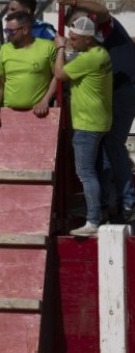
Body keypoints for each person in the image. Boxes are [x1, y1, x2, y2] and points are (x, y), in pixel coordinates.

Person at [58, 0, 135, 222]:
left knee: (112, 145)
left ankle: (126, 202)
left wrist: (73, 1)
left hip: (125, 88)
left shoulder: (103, 29)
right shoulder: (95, 45)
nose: (75, 32)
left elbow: (102, 10)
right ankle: (107, 205)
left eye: (76, 25)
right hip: (114, 91)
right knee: (104, 149)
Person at [52, 17, 113, 236]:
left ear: (88, 39)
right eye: (69, 38)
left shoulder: (88, 60)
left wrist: (59, 49)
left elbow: (59, 75)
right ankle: (101, 212)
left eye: (75, 39)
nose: (71, 42)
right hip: (101, 120)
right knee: (99, 170)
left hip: (87, 123)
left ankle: (93, 222)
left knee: (86, 174)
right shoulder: (101, 54)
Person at [0, 11, 57, 132]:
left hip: (39, 116)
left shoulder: (47, 47)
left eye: (10, 31)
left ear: (25, 30)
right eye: (6, 31)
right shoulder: (4, 49)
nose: (7, 35)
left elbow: (58, 76)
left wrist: (45, 101)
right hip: (8, 115)